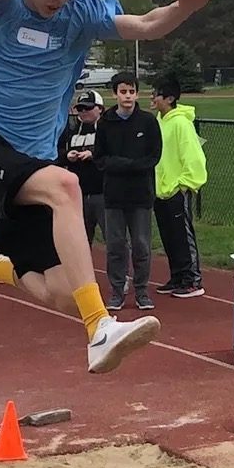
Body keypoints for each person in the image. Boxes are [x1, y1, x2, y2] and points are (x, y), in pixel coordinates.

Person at [0, 0, 217, 374]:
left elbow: (148, 25)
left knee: (60, 291)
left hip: (34, 158)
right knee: (67, 186)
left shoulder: (80, 13)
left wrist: (183, 8)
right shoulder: (1, 0)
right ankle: (100, 328)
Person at [94, 72, 160, 310]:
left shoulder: (148, 122)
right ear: (115, 94)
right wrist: (122, 165)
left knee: (142, 245)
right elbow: (100, 158)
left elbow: (153, 156)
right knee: (115, 245)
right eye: (123, 92)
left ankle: (142, 291)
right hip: (114, 195)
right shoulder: (105, 123)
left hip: (141, 195)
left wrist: (132, 166)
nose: (128, 96)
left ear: (136, 93)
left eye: (131, 91)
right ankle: (116, 291)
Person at [151, 75, 208, 297]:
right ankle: (177, 276)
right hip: (160, 190)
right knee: (169, 236)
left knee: (183, 235)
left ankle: (192, 279)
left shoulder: (182, 123)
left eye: (157, 94)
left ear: (170, 98)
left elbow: (194, 157)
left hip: (177, 189)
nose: (153, 98)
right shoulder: (159, 121)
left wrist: (184, 185)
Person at [55, 88, 106, 244]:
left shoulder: (107, 129)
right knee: (80, 242)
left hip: (103, 194)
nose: (83, 112)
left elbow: (115, 153)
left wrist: (92, 155)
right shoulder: (71, 130)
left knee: (114, 241)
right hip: (78, 195)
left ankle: (119, 270)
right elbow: (55, 153)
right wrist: (67, 157)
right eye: (80, 108)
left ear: (100, 109)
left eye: (88, 108)